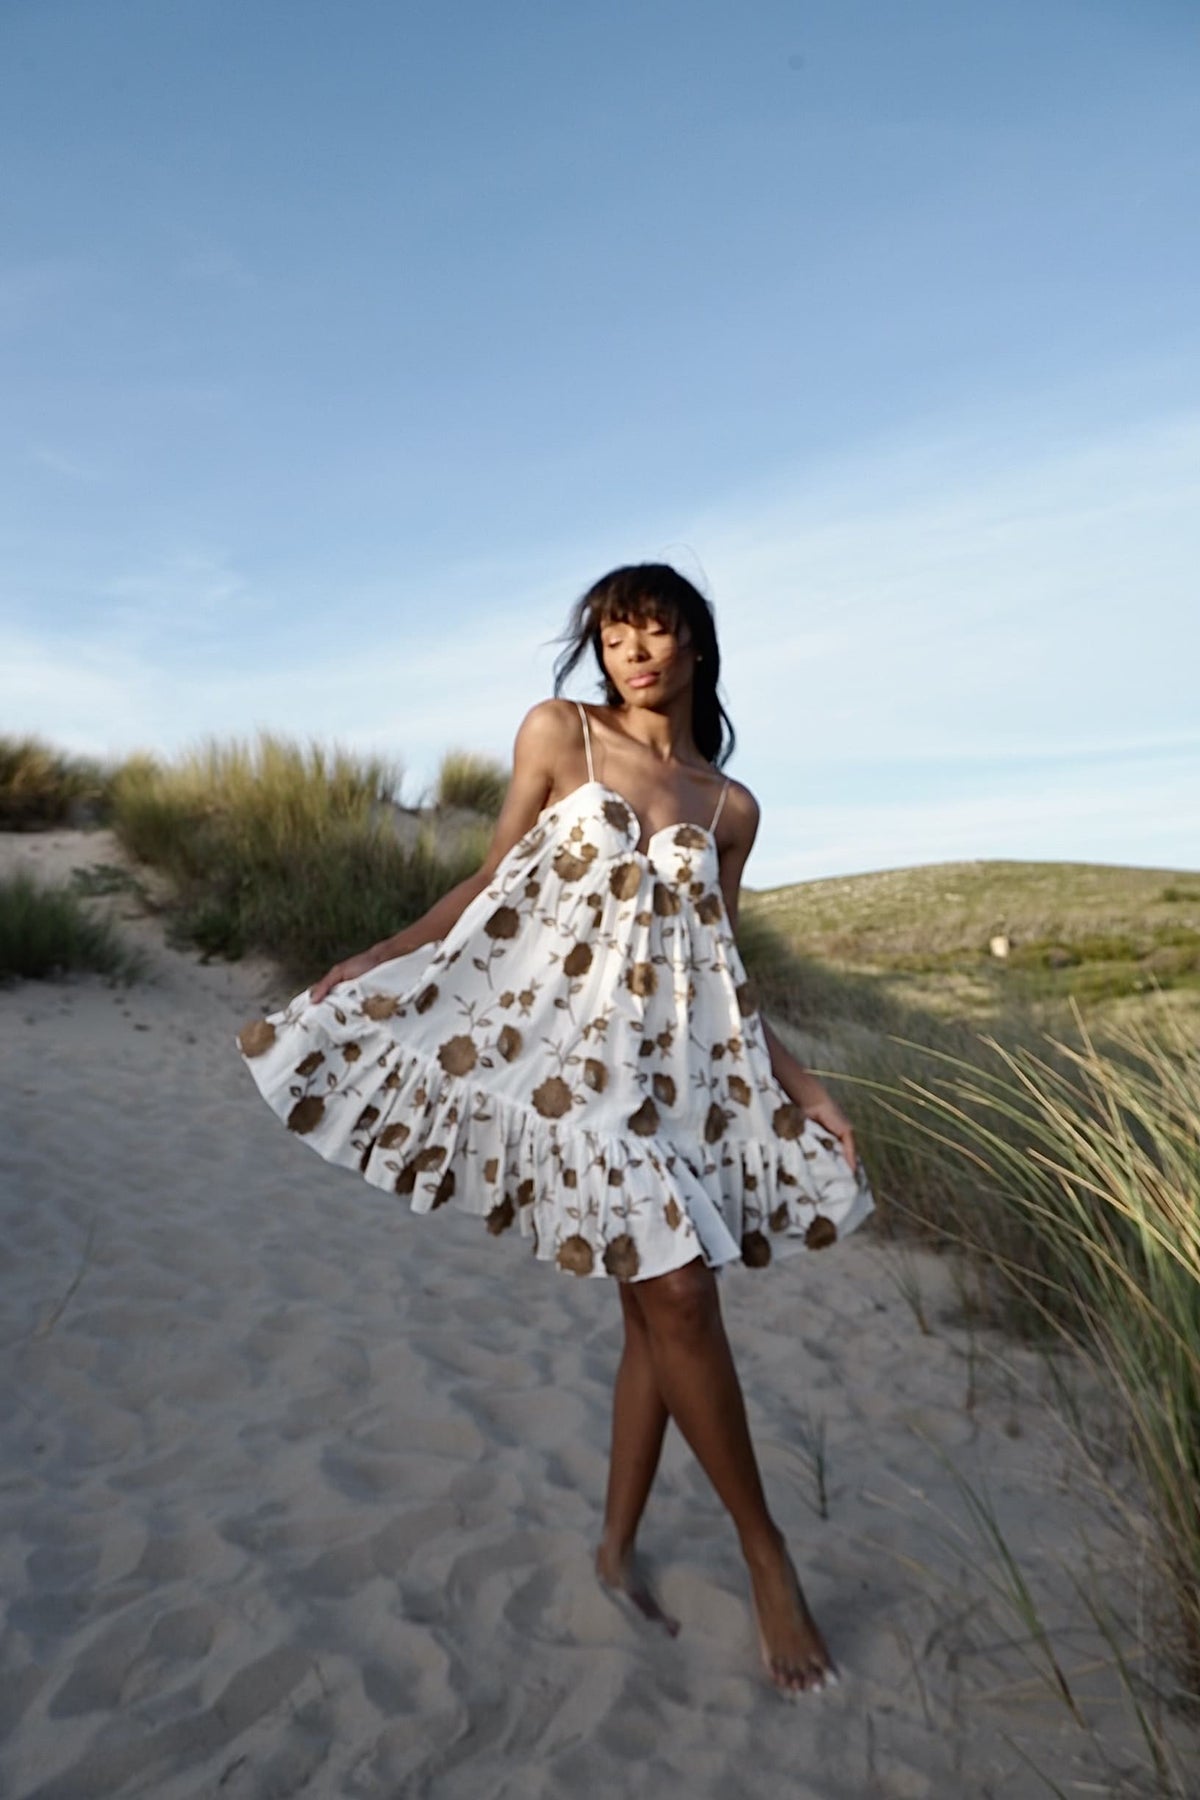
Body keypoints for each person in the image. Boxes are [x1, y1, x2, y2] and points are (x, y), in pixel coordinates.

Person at [239, 563, 875, 1694]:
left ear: (693, 647)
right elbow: (488, 889)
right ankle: (765, 1555)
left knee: (652, 1312)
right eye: (614, 633)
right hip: (569, 1072)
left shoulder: (732, 807)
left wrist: (805, 1087)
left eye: (655, 632)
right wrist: (382, 958)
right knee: (680, 1292)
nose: (633, 651)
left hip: (673, 1075)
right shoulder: (559, 734)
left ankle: (616, 1551)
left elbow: (725, 972)